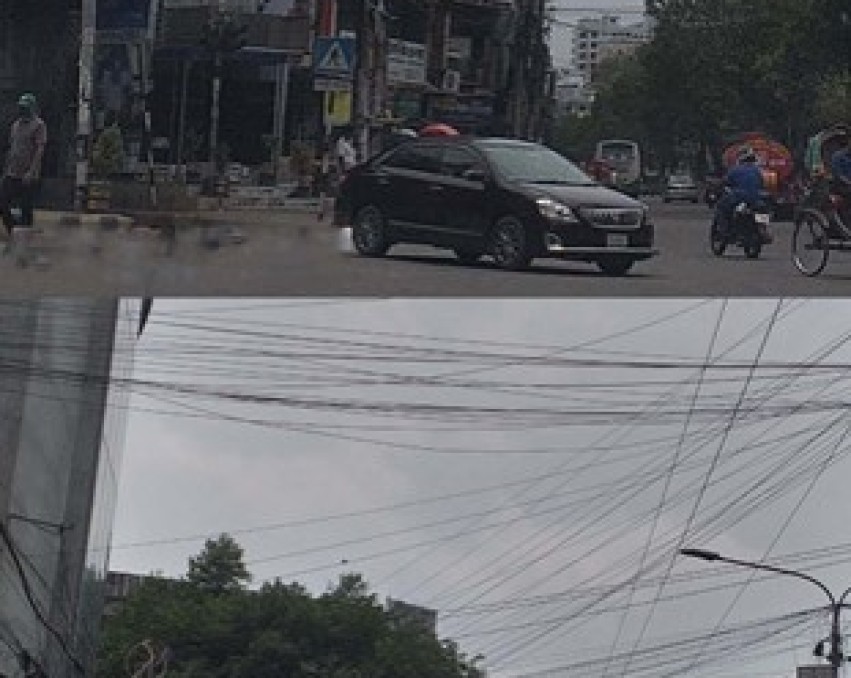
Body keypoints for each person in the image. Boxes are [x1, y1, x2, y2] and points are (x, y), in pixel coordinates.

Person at [0, 93, 47, 240]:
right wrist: (6, 170)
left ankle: (25, 239)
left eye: (25, 108)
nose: (23, 110)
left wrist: (31, 171)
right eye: (21, 107)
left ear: (32, 108)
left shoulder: (39, 125)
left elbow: (40, 149)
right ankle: (13, 229)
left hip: (28, 174)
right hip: (12, 172)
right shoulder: (15, 125)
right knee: (2, 201)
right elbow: (12, 148)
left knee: (26, 207)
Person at [713, 146, 765, 238]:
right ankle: (763, 229)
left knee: (721, 207)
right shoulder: (757, 171)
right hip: (755, 198)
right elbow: (761, 184)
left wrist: (718, 185)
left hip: (738, 197)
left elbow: (724, 182)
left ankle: (724, 230)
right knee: (762, 210)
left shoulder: (735, 170)